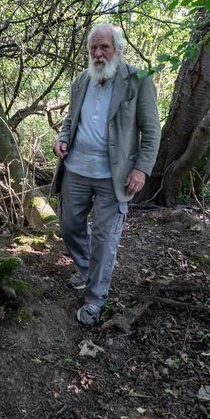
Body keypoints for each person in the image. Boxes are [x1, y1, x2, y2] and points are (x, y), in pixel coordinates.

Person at [51, 23, 160, 325]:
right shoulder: (82, 80)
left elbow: (151, 130)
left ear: (117, 50)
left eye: (104, 47)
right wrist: (62, 138)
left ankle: (95, 299)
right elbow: (71, 118)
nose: (98, 54)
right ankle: (86, 269)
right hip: (76, 169)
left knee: (105, 237)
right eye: (93, 48)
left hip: (114, 176)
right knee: (70, 225)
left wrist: (142, 168)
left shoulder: (138, 80)